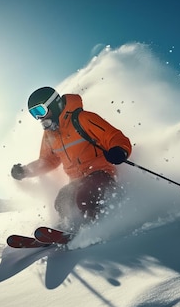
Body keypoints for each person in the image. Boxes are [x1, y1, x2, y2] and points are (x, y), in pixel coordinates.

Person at [11, 87, 132, 229]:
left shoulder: (82, 119)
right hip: (77, 180)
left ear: (54, 105)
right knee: (61, 200)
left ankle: (97, 227)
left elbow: (114, 137)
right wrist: (25, 171)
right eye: (34, 114)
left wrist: (119, 150)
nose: (40, 118)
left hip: (101, 172)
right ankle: (67, 228)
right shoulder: (50, 135)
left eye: (40, 111)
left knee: (85, 197)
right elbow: (48, 161)